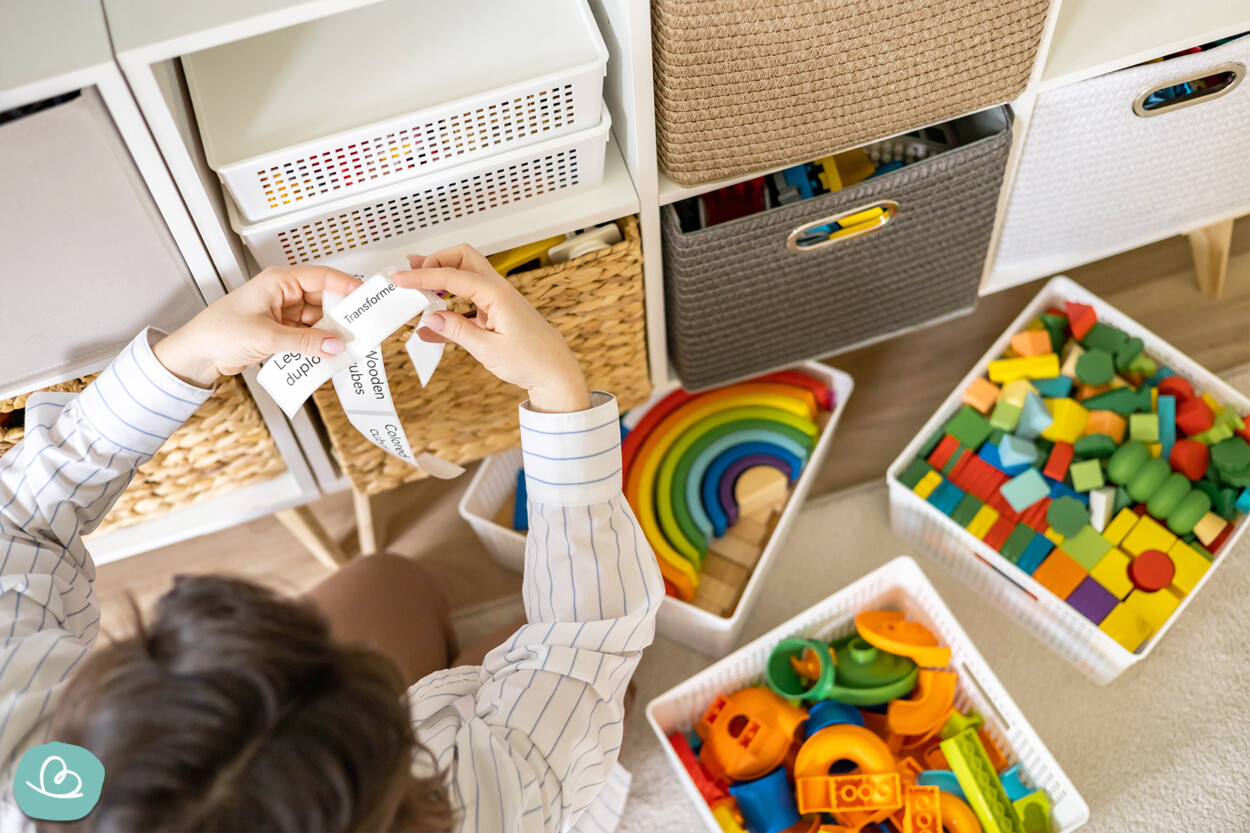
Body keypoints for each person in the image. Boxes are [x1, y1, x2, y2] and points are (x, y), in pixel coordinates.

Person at [0, 246, 662, 832]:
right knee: (598, 692)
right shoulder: (488, 803)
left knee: (388, 583)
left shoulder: (23, 760)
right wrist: (557, 387)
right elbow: (587, 641)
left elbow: (18, 522)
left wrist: (190, 357)